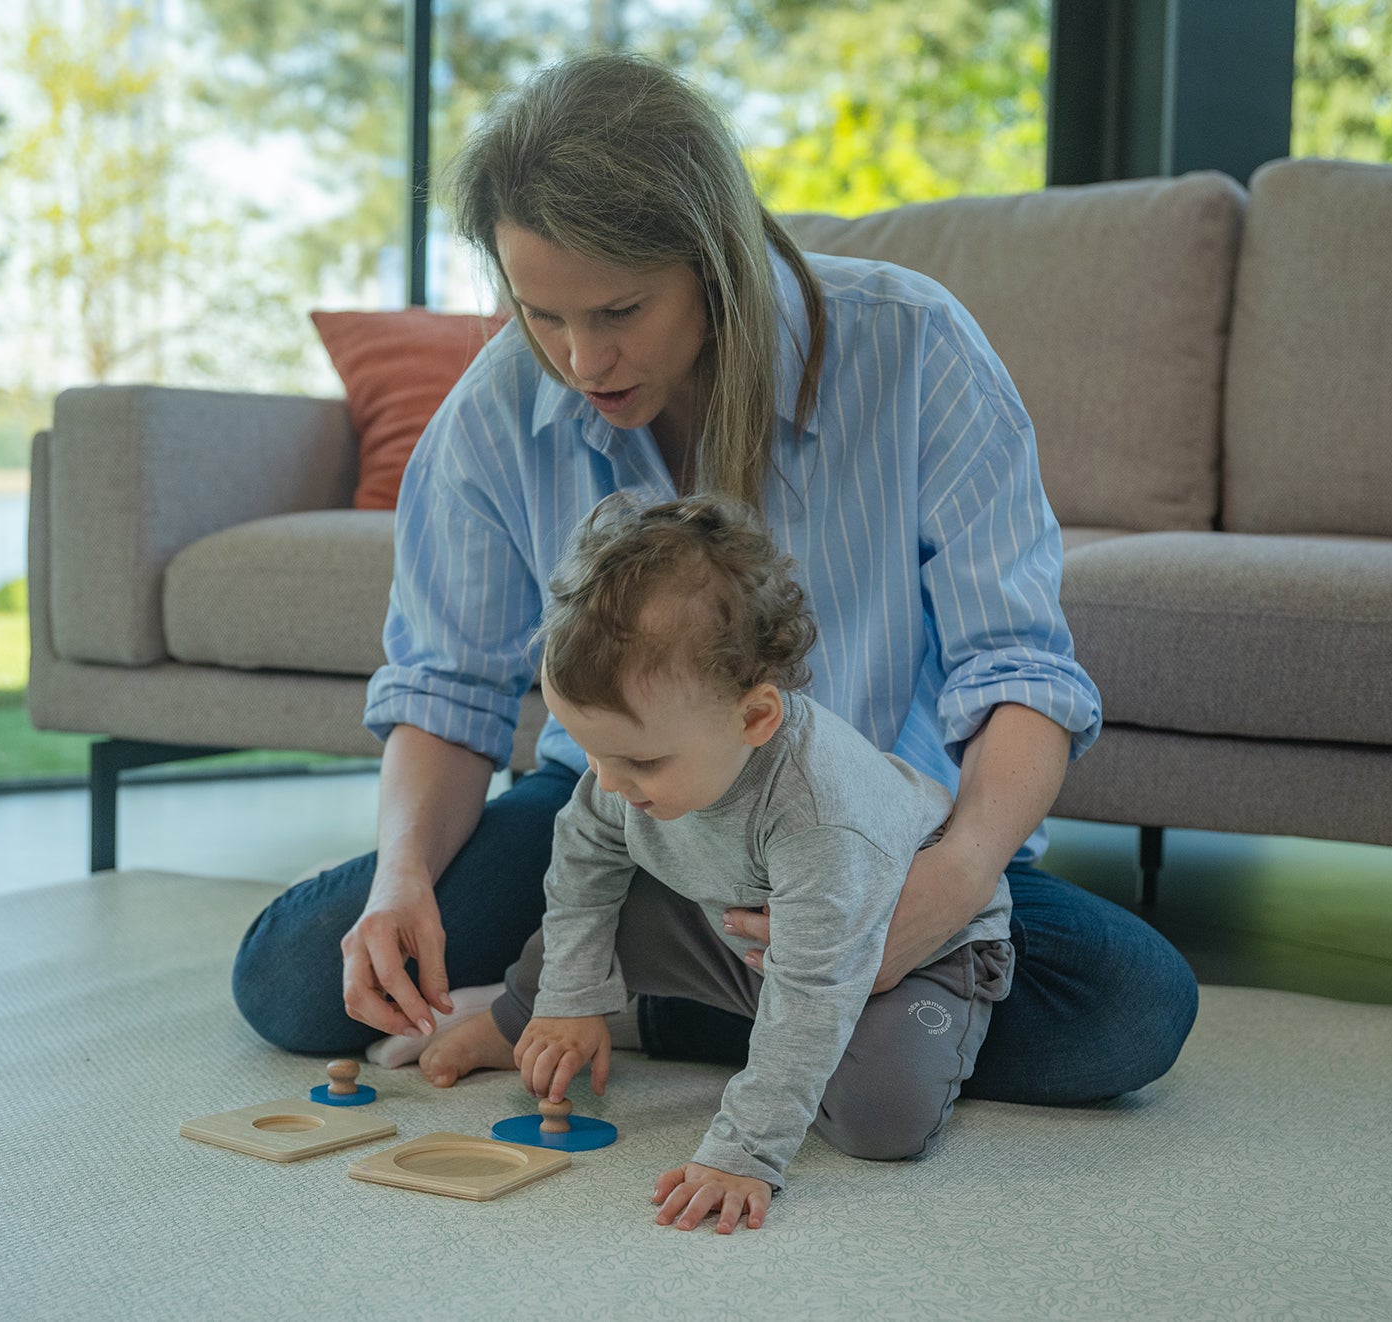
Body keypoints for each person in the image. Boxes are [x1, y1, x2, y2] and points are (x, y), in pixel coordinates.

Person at [231, 50, 1196, 1119]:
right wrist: (402, 873)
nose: (579, 361)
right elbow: (444, 686)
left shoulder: (915, 347)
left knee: (1128, 1009)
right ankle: (710, 985)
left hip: (859, 823)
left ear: (711, 258)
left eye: (618, 310)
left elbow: (1016, 668)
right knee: (288, 980)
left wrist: (954, 880)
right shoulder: (497, 406)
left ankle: (643, 997)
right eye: (541, 315)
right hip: (614, 805)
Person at [511, 490, 1012, 1234]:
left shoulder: (817, 813)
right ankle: (561, 1015)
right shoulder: (628, 771)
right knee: (557, 958)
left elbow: (815, 984)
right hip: (746, 929)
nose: (608, 784)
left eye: (638, 761)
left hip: (903, 951)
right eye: (591, 751)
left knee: (882, 1120)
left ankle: (704, 1035)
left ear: (755, 718)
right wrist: (567, 999)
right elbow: (582, 866)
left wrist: (742, 1152)